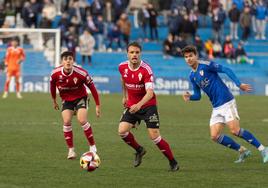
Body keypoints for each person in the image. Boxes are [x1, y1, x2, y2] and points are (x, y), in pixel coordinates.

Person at [181, 45, 268, 163]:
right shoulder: (192, 76)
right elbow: (198, 96)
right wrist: (190, 97)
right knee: (214, 136)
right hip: (216, 106)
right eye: (186, 57)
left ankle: (263, 149)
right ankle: (242, 151)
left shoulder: (206, 65)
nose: (188, 59)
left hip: (226, 101)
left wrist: (239, 84)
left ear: (196, 55)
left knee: (235, 130)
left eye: (190, 56)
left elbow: (226, 69)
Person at [118, 42, 179, 171]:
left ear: (140, 53)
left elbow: (150, 93)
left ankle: (173, 162)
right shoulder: (122, 67)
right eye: (132, 52)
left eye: (137, 52)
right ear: (127, 54)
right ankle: (139, 150)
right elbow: (123, 80)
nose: (134, 55)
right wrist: (125, 96)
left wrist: (139, 105)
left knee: (154, 136)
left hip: (147, 105)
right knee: (122, 131)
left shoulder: (146, 70)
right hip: (132, 104)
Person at [50, 51, 101, 159]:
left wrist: (97, 105)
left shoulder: (81, 73)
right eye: (65, 59)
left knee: (82, 120)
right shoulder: (55, 73)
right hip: (66, 100)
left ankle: (92, 146)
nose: (68, 61)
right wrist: (54, 100)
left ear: (73, 61)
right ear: (61, 62)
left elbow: (92, 88)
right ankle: (71, 150)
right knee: (66, 121)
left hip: (81, 98)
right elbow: (52, 86)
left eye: (70, 59)